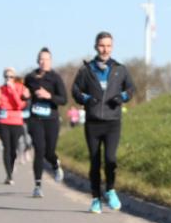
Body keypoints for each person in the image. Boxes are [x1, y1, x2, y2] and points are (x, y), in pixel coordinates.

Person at [72, 32, 135, 213]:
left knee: (110, 159)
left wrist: (121, 97)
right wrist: (86, 99)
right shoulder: (86, 70)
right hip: (92, 122)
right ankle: (95, 199)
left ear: (112, 47)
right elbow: (75, 90)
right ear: (95, 46)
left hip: (113, 122)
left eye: (108, 45)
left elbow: (130, 89)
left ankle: (110, 190)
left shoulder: (119, 69)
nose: (105, 49)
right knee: (94, 161)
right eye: (101, 45)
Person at [23, 47, 68, 198]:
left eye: (47, 59)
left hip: (51, 120)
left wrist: (49, 95)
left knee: (49, 151)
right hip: (35, 119)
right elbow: (25, 95)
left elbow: (63, 100)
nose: (44, 62)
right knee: (39, 150)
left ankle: (55, 165)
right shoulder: (30, 77)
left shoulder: (55, 78)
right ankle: (37, 185)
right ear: (37, 61)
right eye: (41, 59)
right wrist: (25, 96)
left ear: (51, 61)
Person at [0, 68, 27, 185]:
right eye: (6, 77)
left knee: (13, 150)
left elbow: (20, 105)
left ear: (15, 78)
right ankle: (9, 175)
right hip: (3, 121)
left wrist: (13, 90)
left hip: (16, 121)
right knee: (6, 148)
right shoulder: (0, 89)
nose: (8, 79)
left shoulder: (20, 88)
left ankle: (11, 168)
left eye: (11, 77)